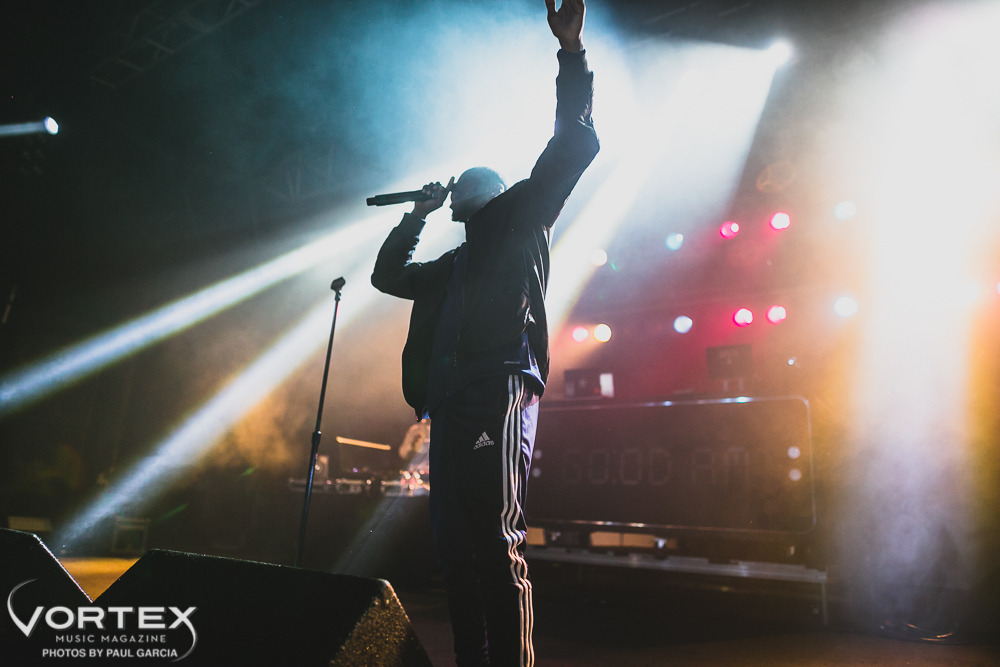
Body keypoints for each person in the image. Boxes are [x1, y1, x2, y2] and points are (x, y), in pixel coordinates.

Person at [371, 1, 598, 664]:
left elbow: (574, 142)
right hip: (449, 403)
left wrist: (571, 54)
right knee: (455, 550)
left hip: (501, 387)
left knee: (497, 543)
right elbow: (389, 275)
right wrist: (416, 213)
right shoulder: (451, 265)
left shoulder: (522, 218)